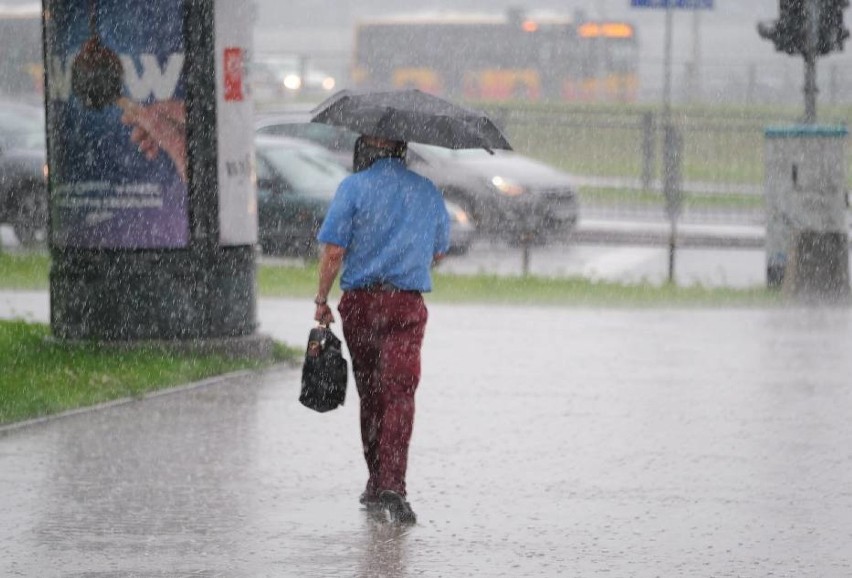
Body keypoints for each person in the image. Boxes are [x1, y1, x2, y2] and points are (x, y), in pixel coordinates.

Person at [314, 134, 450, 525]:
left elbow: (334, 250)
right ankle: (394, 483)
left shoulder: (353, 187)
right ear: (403, 151)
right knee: (400, 393)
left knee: (371, 393)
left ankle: (376, 482)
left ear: (368, 151)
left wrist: (322, 299)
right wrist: (407, 254)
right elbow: (439, 250)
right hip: (406, 304)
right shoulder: (427, 191)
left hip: (360, 303)